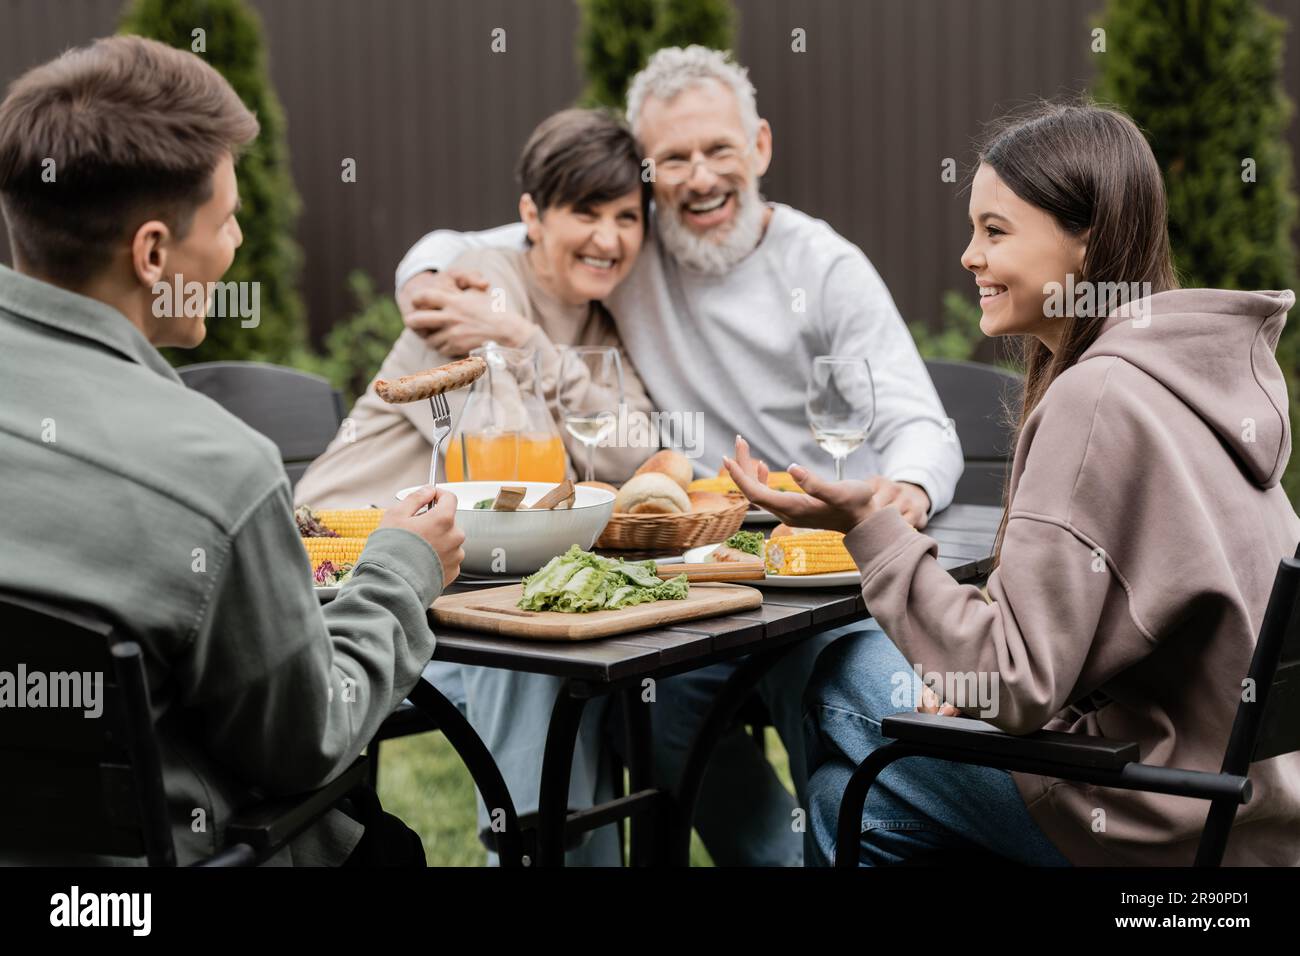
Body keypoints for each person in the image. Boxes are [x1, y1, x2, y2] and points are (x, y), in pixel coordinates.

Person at [392, 46, 964, 865]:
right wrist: (426, 269)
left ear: (759, 148)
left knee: (832, 702)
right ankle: (772, 858)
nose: (699, 179)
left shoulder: (823, 265)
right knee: (645, 707)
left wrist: (902, 491)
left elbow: (924, 428)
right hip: (707, 571)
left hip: (824, 570)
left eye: (718, 150)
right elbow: (483, 237)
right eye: (674, 161)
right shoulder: (633, 248)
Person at [726, 102, 1300, 866]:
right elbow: (1106, 622)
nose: (968, 255)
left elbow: (1014, 682)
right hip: (1244, 810)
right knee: (845, 802)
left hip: (1156, 817)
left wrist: (873, 524)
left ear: (1085, 241)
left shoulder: (1098, 398)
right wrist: (974, 675)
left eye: (996, 231)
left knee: (838, 671)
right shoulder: (1185, 375)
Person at [0, 36, 464, 866]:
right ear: (152, 254)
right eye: (226, 219)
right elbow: (308, 740)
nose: (240, 243)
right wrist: (399, 567)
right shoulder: (219, 473)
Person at [295, 108, 658, 865]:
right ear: (531, 214)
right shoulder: (476, 286)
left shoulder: (594, 321)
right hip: (346, 577)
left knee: (586, 655)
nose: (609, 237)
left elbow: (642, 449)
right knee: (538, 660)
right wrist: (544, 366)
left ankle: (550, 848)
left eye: (627, 216)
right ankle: (530, 855)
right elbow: (522, 475)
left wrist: (529, 345)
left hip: (457, 581)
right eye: (584, 211)